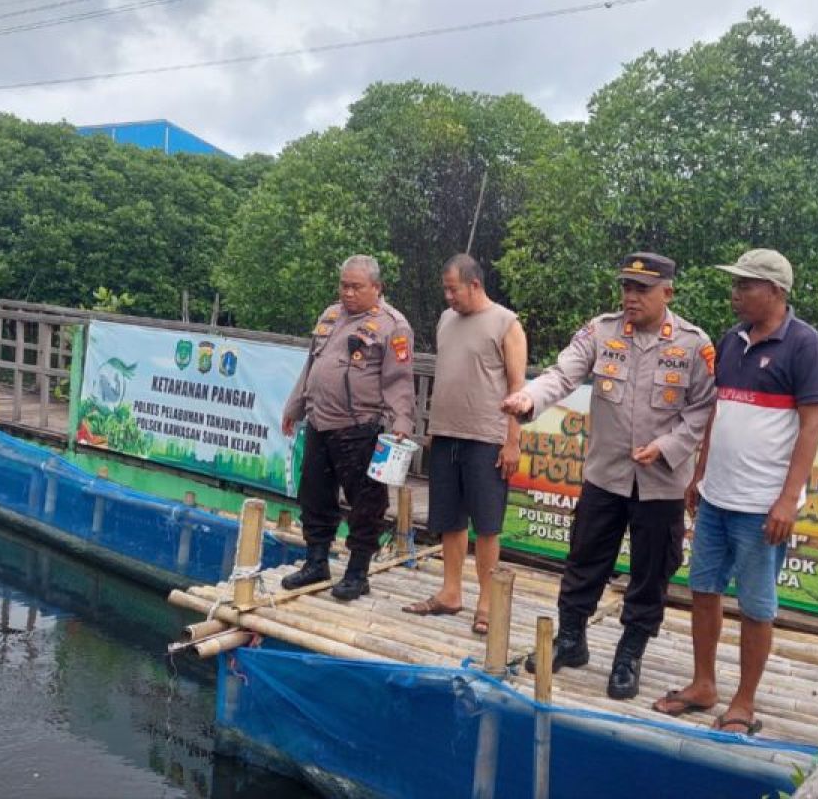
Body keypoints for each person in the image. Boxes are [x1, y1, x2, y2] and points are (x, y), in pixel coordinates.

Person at [500, 252, 716, 699]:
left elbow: (703, 409)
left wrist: (668, 447)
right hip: (605, 473)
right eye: (626, 287)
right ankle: (571, 639)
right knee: (585, 558)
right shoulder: (602, 331)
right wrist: (528, 400)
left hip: (661, 482)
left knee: (651, 571)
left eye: (642, 289)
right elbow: (562, 375)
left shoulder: (695, 345)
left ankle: (629, 652)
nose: (631, 297)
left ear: (667, 292)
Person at [651, 249, 818, 735]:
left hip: (761, 506)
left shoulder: (804, 345)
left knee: (755, 605)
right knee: (702, 589)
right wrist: (699, 475)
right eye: (735, 284)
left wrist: (787, 500)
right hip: (716, 497)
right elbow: (717, 413)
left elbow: (812, 426)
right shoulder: (731, 342)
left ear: (776, 291)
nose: (735, 294)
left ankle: (743, 702)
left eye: (745, 285)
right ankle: (703, 684)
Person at [403, 254, 527, 635]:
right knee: (448, 519)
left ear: (474, 284)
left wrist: (512, 442)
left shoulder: (507, 323)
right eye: (445, 289)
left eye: (452, 289)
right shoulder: (446, 320)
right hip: (446, 435)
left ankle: (486, 603)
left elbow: (518, 387)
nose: (447, 296)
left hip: (487, 438)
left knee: (487, 525)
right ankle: (450, 592)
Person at [280, 254, 416, 601]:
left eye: (356, 287)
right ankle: (316, 563)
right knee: (313, 495)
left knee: (366, 503)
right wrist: (295, 405)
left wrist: (401, 421)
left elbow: (400, 380)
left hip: (360, 426)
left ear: (376, 287)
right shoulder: (330, 315)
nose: (348, 293)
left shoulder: (393, 325)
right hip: (319, 421)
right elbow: (312, 364)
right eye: (344, 285)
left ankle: (357, 572)